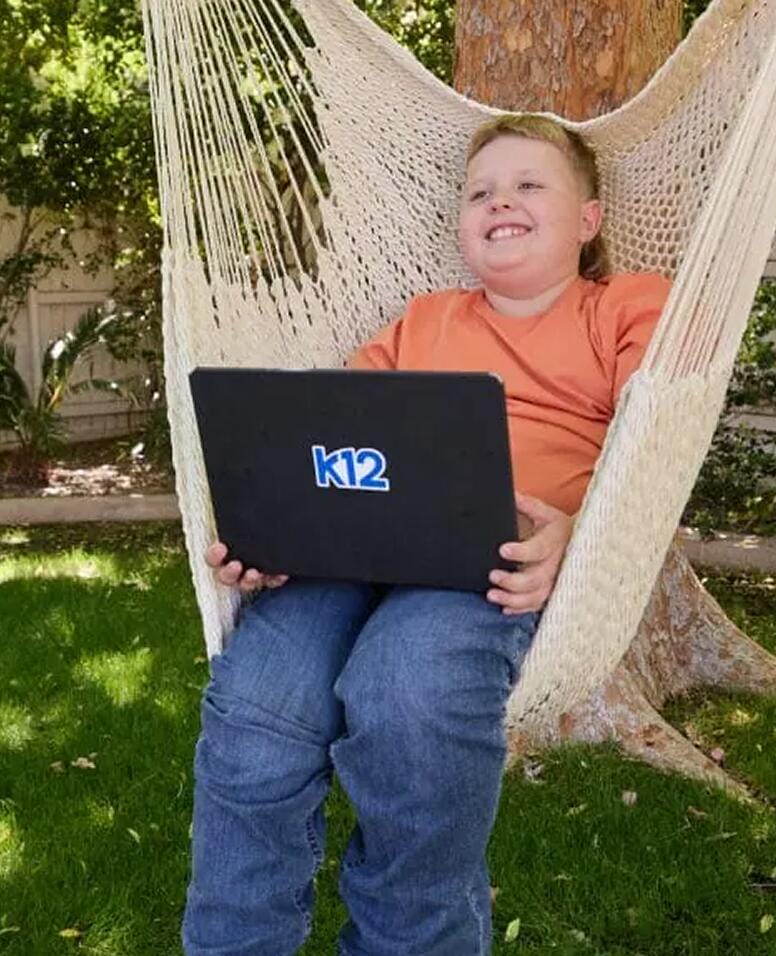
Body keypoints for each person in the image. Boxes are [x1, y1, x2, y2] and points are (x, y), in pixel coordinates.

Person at [182, 113, 671, 955]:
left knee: (407, 695)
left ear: (588, 220)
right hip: (349, 551)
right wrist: (267, 528)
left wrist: (584, 538)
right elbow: (319, 433)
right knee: (258, 710)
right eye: (480, 191)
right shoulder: (425, 320)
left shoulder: (627, 307)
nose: (500, 202)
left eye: (528, 185)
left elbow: (656, 447)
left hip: (491, 567)